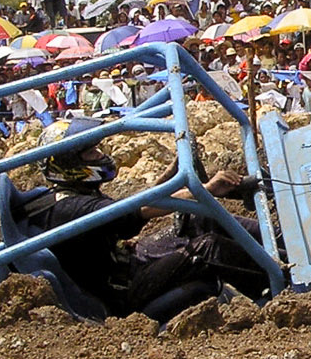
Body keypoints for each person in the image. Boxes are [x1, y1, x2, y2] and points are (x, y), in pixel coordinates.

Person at [26, 119, 262, 320]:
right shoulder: (72, 209)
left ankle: (282, 247)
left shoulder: (71, 193)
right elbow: (138, 210)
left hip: (129, 260)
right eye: (90, 153)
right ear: (70, 166)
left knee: (200, 222)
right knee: (207, 248)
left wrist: (171, 175)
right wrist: (207, 189)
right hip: (122, 290)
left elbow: (129, 209)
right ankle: (279, 286)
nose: (100, 155)